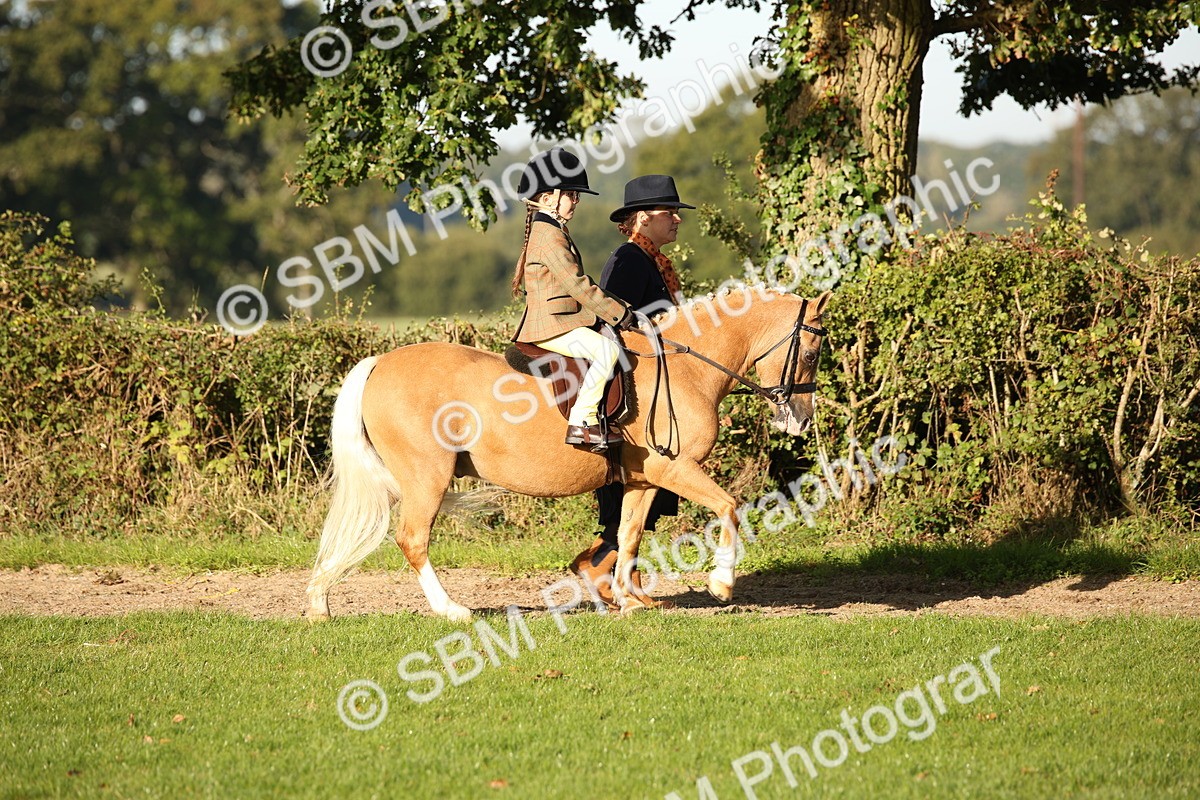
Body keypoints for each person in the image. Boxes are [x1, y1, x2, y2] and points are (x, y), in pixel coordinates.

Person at [569, 174, 695, 606]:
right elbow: (611, 323)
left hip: (655, 386)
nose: (677, 219)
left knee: (650, 490)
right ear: (643, 218)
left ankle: (611, 566)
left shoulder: (654, 261)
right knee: (640, 483)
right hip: (631, 390)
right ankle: (602, 565)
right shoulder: (629, 259)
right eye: (669, 213)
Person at [511, 148, 634, 452]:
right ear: (549, 197)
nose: (576, 201)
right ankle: (582, 421)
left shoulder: (551, 230)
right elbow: (579, 286)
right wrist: (620, 315)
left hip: (562, 320)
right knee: (606, 351)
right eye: (571, 194)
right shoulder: (549, 235)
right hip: (553, 325)